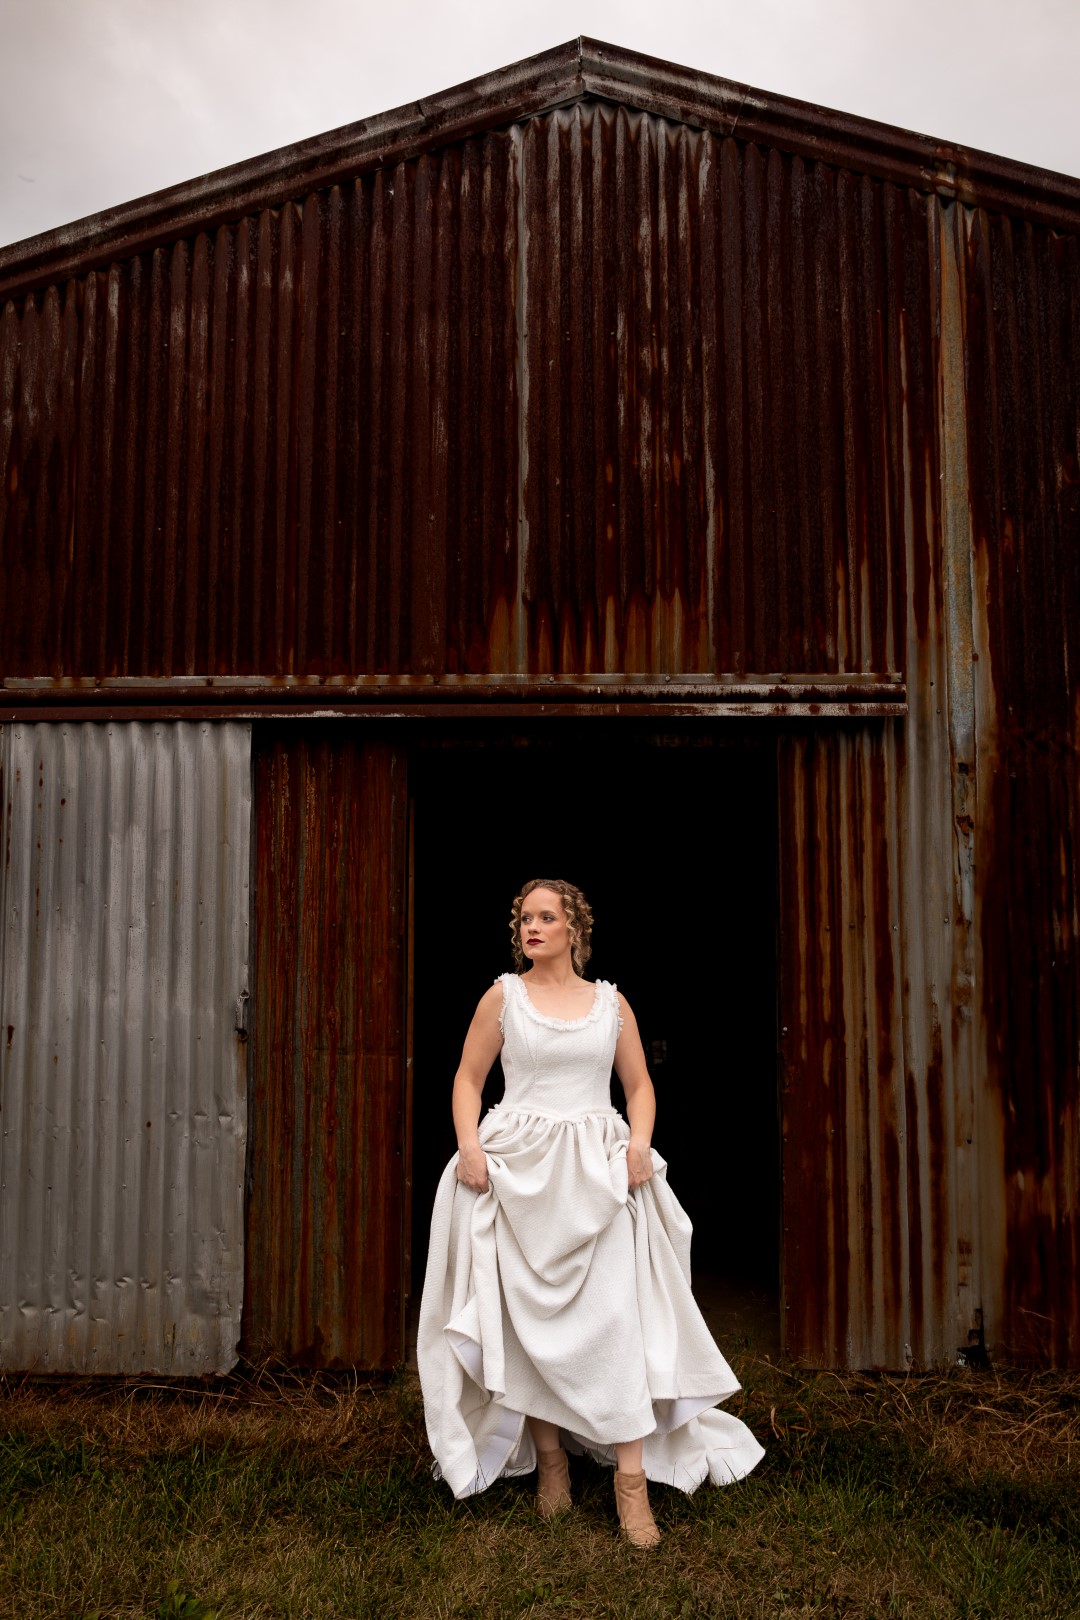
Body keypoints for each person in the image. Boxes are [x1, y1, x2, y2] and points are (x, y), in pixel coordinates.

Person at [417, 877, 765, 1548]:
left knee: (617, 1320)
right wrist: (469, 1146)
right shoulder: (503, 997)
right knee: (531, 1323)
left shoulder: (612, 1004)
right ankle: (552, 1465)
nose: (532, 927)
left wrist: (638, 1145)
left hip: (597, 1172)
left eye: (547, 917)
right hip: (520, 1169)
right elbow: (467, 1079)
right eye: (525, 917)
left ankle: (631, 1484)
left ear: (574, 929)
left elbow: (639, 1086)